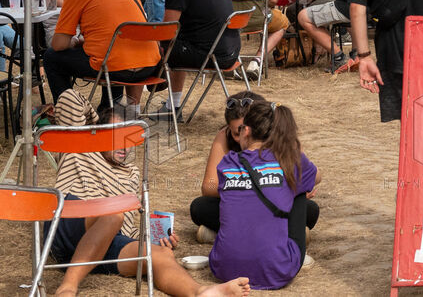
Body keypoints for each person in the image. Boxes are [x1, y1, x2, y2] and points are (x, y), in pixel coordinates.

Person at [43, 88, 251, 297]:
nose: (124, 145)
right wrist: (99, 130)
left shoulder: (132, 173)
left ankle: (201, 292)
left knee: (161, 254)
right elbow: (69, 98)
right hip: (67, 222)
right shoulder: (78, 147)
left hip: (103, 242)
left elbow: (127, 228)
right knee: (112, 215)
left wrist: (152, 237)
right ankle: (68, 287)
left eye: (129, 138)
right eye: (116, 135)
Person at [209, 99, 318, 290]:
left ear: (246, 131)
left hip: (224, 269)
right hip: (277, 270)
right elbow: (317, 177)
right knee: (299, 190)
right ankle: (286, 247)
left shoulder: (228, 162)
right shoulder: (289, 161)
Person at [191, 91, 322, 246]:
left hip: (271, 204)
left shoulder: (282, 136)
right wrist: (242, 190)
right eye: (235, 132)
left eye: (243, 129)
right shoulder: (224, 138)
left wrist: (284, 191)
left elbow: (312, 175)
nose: (241, 137)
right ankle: (290, 233)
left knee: (310, 209)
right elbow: (208, 186)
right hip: (241, 205)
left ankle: (222, 233)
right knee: (199, 207)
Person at [45, 0, 160, 106]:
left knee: (51, 57)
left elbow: (59, 45)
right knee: (110, 53)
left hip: (115, 68)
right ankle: (110, 108)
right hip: (149, 66)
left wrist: (77, 42)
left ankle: (68, 109)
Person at [156, 0, 239, 116]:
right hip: (231, 51)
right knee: (176, 44)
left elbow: (167, 31)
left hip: (211, 55)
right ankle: (172, 105)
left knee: (158, 46)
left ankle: (136, 107)